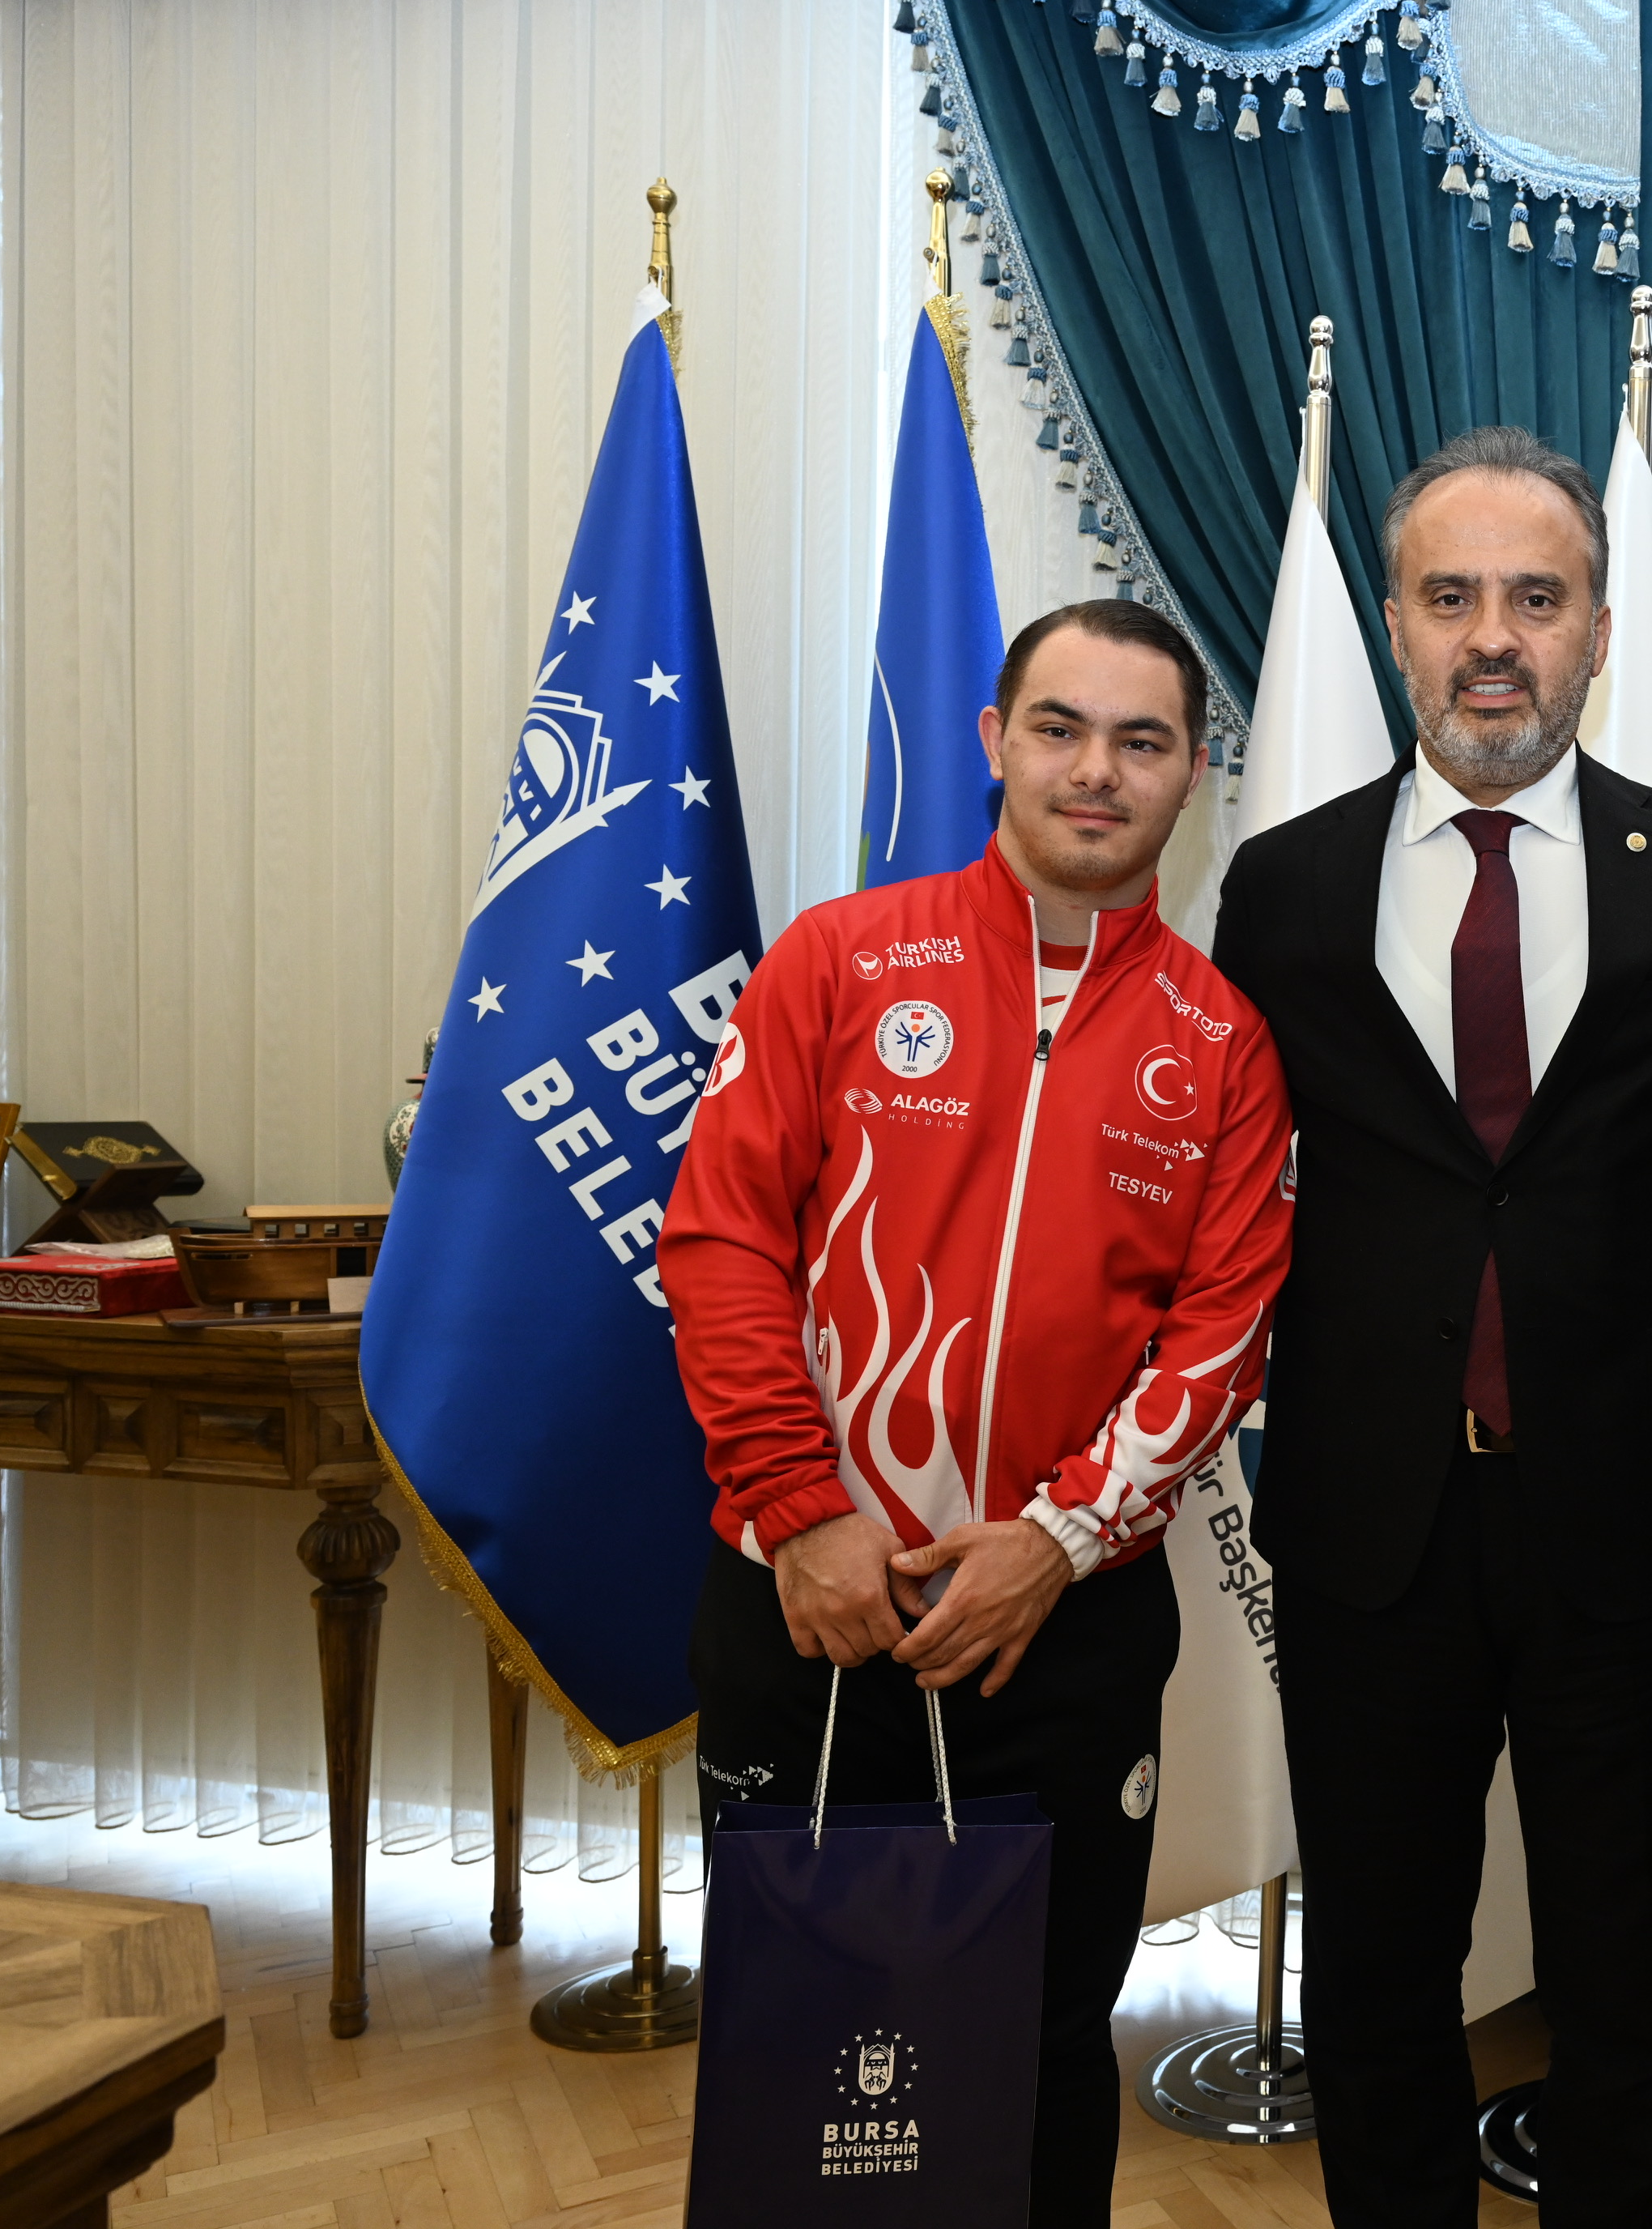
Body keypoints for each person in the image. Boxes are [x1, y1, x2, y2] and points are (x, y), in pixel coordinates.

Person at [1210, 425, 1652, 2229]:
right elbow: (1215, 1178)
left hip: (1622, 1513)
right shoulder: (1285, 885)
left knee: (1632, 1964)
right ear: (1394, 624)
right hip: (1368, 1518)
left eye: (1534, 598)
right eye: (1452, 595)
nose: (1493, 636)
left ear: (1599, 632)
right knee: (1379, 1961)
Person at [662, 599, 1294, 2227]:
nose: (1098, 770)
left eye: (1142, 740)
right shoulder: (839, 960)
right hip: (806, 1605)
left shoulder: (1221, 1043)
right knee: (802, 2031)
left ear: (1190, 775)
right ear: (994, 739)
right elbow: (719, 1242)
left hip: (1059, 1629)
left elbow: (1221, 1335)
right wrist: (804, 1511)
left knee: (1037, 2044)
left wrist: (1059, 1539)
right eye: (1064, 727)